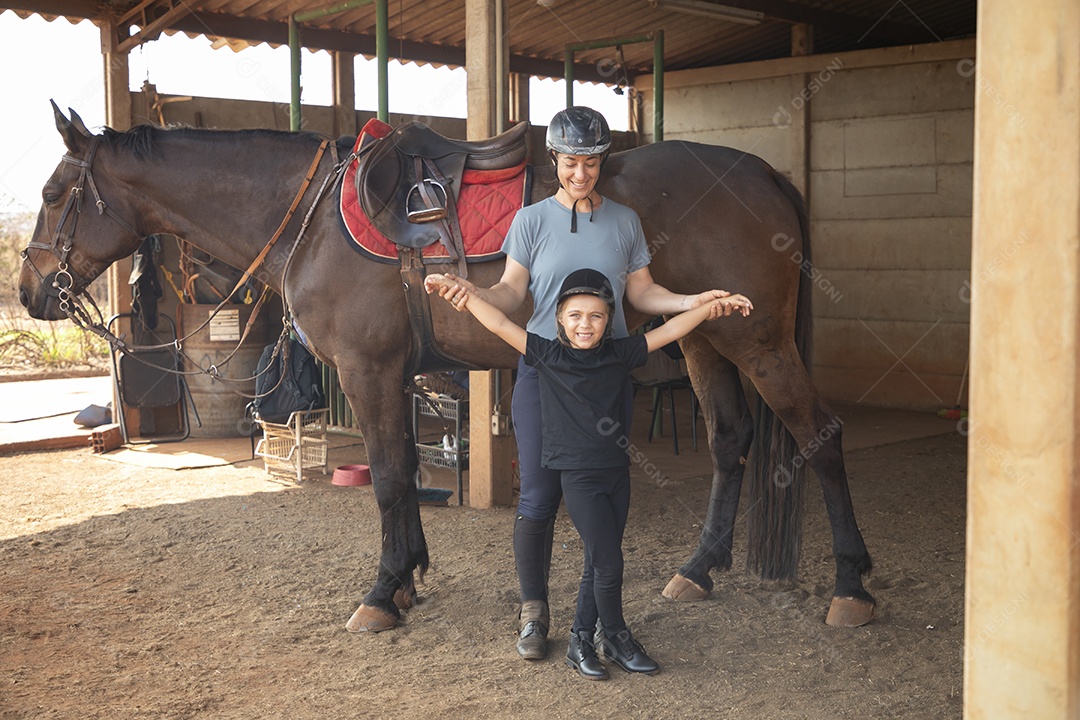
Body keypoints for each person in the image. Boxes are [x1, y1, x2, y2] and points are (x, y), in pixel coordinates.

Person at [428, 106, 743, 661]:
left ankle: (590, 624)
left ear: (602, 163)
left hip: (606, 378)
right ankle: (533, 613)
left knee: (604, 498)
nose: (581, 173)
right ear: (555, 161)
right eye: (572, 162)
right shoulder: (530, 220)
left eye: (592, 163)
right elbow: (510, 295)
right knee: (539, 496)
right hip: (544, 371)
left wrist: (692, 302)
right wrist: (471, 293)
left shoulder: (624, 221)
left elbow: (642, 296)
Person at [425, 268, 752, 679]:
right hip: (579, 478)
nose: (586, 324)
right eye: (576, 315)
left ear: (609, 320)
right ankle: (614, 634)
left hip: (617, 473)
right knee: (609, 563)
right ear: (560, 318)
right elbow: (497, 321)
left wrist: (710, 308)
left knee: (597, 563)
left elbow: (670, 334)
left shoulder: (621, 354)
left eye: (596, 316)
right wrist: (459, 292)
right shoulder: (546, 354)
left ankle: (581, 641)